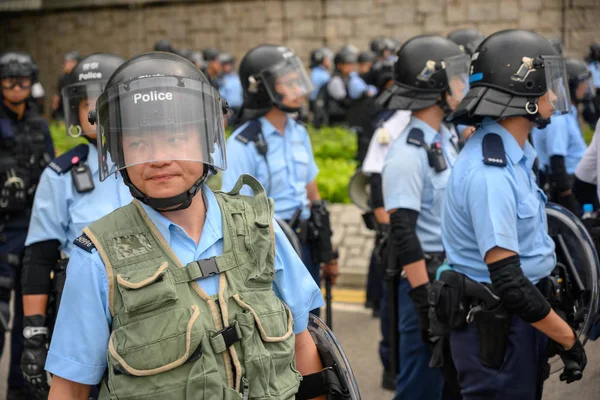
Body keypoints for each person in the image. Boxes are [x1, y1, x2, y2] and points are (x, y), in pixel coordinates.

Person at [46, 51, 328, 400]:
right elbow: (70, 388)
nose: (158, 157)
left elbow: (303, 344)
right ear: (118, 153)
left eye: (175, 139)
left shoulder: (260, 227)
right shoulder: (96, 257)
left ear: (207, 139)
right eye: (137, 143)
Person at [442, 29, 587, 399]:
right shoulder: (491, 171)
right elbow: (507, 278)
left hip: (520, 318)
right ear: (523, 94)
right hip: (498, 327)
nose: (555, 95)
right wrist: (568, 338)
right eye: (548, 85)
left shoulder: (513, 155)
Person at [20, 53, 131, 398]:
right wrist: (35, 335)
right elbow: (39, 258)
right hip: (81, 315)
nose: (98, 115)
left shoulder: (157, 168)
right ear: (75, 112)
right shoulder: (61, 175)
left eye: (108, 104)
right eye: (89, 106)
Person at [380, 34, 468, 400]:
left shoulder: (444, 137)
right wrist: (424, 300)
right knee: (421, 386)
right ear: (436, 88)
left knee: (451, 384)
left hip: (449, 276)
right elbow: (403, 230)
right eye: (458, 78)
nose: (465, 86)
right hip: (425, 279)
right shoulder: (407, 151)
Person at [221, 44, 338, 318]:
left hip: (306, 242)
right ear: (262, 89)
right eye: (289, 83)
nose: (299, 90)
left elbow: (312, 190)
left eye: (298, 81)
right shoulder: (243, 144)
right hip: (270, 250)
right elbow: (234, 212)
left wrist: (327, 246)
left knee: (313, 322)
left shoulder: (299, 132)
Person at [0, 51, 55, 400]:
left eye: (23, 80)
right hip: (2, 232)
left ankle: (19, 392)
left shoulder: (38, 125)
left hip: (31, 231)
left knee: (30, 323)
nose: (17, 87)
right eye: (9, 80)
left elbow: (52, 173)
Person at [531, 57, 594, 214]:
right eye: (582, 82)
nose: (585, 87)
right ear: (571, 85)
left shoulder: (569, 113)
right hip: (568, 183)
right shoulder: (559, 119)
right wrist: (571, 202)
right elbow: (557, 164)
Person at [51, 51, 80, 121]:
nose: (66, 65)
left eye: (69, 62)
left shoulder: (79, 77)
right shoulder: (62, 78)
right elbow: (59, 97)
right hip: (64, 114)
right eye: (65, 62)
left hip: (77, 113)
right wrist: (55, 108)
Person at [217, 52, 243, 124]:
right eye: (224, 65)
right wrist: (224, 112)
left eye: (228, 64)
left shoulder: (238, 77)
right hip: (229, 111)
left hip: (240, 110)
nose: (226, 67)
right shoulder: (220, 79)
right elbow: (221, 96)